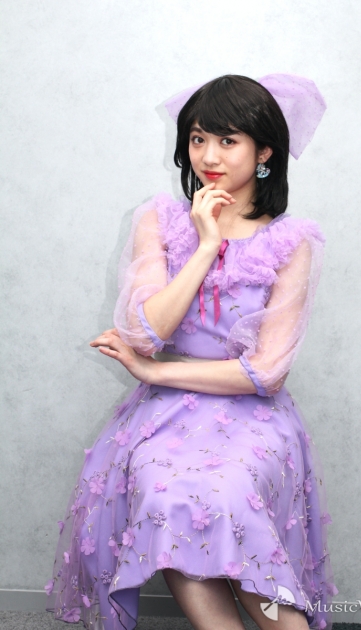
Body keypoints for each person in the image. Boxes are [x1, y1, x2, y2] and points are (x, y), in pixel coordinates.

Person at [46, 73, 337, 630]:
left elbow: (266, 373)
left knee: (227, 495)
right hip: (165, 418)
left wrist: (157, 373)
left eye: (228, 140)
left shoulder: (291, 241)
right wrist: (206, 246)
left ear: (264, 152)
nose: (208, 156)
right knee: (166, 497)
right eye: (199, 138)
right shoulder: (159, 219)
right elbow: (145, 333)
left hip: (252, 417)